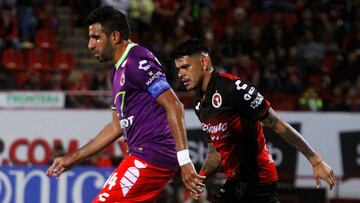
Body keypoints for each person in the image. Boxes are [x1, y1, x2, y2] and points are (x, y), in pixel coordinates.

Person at [46, 6, 205, 202]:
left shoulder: (137, 60)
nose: (89, 44)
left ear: (114, 37)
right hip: (142, 154)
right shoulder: (117, 71)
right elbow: (116, 126)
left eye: (96, 37)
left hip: (152, 154)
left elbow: (174, 105)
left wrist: (185, 160)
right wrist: (72, 159)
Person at [170, 39, 335, 203]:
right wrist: (200, 179)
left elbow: (277, 124)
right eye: (178, 69)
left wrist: (316, 161)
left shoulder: (234, 88)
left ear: (204, 62)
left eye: (185, 67)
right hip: (238, 181)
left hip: (257, 177)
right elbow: (215, 153)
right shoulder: (199, 103)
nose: (180, 74)